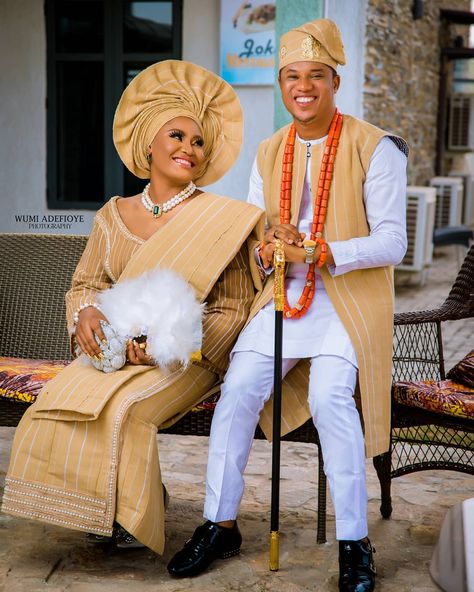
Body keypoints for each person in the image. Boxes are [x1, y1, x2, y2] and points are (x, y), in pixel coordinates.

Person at [168, 19, 408, 592]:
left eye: (317, 76)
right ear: (282, 85)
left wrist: (321, 250)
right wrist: (264, 250)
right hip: (280, 298)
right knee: (237, 392)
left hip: (348, 299)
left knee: (330, 398)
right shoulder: (269, 149)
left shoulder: (377, 147)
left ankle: (355, 542)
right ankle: (219, 523)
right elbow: (254, 233)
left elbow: (394, 241)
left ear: (334, 82)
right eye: (293, 77)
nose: (304, 86)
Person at [1, 60, 265, 555]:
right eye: (177, 135)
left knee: (126, 409)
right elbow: (86, 283)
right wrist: (85, 315)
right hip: (115, 349)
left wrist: (170, 347)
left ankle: (132, 515)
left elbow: (232, 309)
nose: (189, 148)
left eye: (199, 141)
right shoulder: (113, 215)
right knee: (54, 403)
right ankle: (103, 503)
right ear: (149, 141)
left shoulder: (222, 220)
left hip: (187, 358)